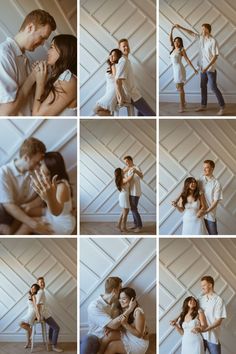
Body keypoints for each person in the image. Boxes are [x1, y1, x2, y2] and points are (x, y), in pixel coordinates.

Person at [0, 9, 56, 116]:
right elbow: (5, 112)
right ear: (30, 28)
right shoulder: (4, 55)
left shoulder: (23, 58)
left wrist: (40, 78)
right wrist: (32, 77)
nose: (43, 44)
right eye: (42, 37)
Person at [0, 137, 52, 235]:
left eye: (40, 163)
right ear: (26, 157)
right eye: (36, 162)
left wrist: (30, 205)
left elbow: (42, 196)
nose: (38, 166)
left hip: (26, 212)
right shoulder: (3, 173)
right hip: (4, 214)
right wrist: (33, 224)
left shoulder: (38, 171)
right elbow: (8, 205)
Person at [175, 23, 226, 116]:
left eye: (203, 29)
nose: (201, 30)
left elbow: (215, 56)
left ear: (207, 30)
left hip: (210, 69)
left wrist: (206, 67)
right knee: (203, 86)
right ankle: (203, 105)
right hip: (202, 68)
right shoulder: (201, 38)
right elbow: (191, 33)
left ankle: (222, 107)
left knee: (213, 87)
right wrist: (180, 27)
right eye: (201, 29)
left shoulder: (213, 41)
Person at [20, 152, 76, 235]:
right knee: (25, 211)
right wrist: (29, 205)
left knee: (26, 225)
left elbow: (56, 212)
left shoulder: (61, 186)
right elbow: (40, 199)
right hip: (50, 214)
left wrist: (47, 198)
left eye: (41, 163)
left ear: (51, 171)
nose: (39, 166)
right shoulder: (51, 181)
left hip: (62, 223)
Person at [170, 275, 227, 354]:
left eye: (204, 285)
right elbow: (187, 309)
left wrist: (204, 329)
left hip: (211, 337)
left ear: (210, 285)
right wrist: (176, 319)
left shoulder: (218, 301)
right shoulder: (200, 299)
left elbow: (218, 321)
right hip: (198, 336)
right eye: (201, 286)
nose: (202, 287)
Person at [80, 277, 136, 354]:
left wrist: (114, 328)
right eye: (120, 289)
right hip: (97, 338)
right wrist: (129, 310)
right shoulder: (95, 306)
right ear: (114, 291)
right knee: (87, 339)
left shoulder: (117, 303)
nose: (122, 292)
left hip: (113, 335)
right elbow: (113, 325)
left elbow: (118, 325)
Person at [31, 34, 77, 116]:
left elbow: (37, 116)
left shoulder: (68, 80)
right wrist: (38, 75)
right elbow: (39, 101)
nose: (48, 52)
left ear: (64, 51)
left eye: (51, 47)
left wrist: (40, 83)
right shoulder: (58, 77)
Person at [100, 287, 149, 354]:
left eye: (124, 299)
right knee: (109, 335)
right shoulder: (125, 309)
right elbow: (123, 327)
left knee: (112, 346)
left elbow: (139, 335)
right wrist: (113, 329)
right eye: (120, 298)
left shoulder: (138, 312)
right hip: (128, 335)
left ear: (132, 299)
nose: (121, 301)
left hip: (138, 342)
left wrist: (125, 324)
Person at [116, 39, 156, 116]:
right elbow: (118, 81)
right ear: (119, 49)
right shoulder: (123, 61)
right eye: (124, 46)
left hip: (134, 93)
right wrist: (120, 98)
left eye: (127, 46)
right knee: (151, 115)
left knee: (141, 114)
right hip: (132, 95)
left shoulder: (126, 60)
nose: (126, 48)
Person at [169, 25, 198, 113]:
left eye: (178, 41)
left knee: (180, 89)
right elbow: (170, 38)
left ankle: (182, 106)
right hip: (174, 70)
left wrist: (194, 69)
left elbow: (187, 59)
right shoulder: (173, 49)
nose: (176, 42)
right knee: (179, 88)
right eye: (175, 41)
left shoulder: (181, 50)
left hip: (179, 70)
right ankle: (184, 103)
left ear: (180, 43)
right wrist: (172, 29)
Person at [36, 277, 63, 353]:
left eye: (43, 282)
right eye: (40, 282)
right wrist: (39, 316)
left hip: (46, 313)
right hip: (44, 314)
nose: (42, 283)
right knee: (57, 328)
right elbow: (37, 304)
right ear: (37, 284)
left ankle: (51, 341)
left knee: (52, 327)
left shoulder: (41, 291)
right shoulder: (40, 292)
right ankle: (54, 346)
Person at [95, 49, 123, 116]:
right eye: (111, 55)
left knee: (96, 109)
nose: (111, 56)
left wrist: (120, 97)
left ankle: (111, 118)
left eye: (114, 56)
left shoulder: (114, 66)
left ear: (118, 57)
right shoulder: (111, 66)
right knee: (100, 110)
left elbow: (117, 82)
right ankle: (111, 118)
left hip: (113, 91)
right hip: (109, 91)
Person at [198, 160, 223, 235]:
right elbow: (187, 189)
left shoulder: (217, 183)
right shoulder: (200, 179)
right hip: (198, 212)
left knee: (213, 235)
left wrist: (206, 212)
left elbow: (216, 201)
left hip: (209, 214)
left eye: (207, 167)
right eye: (203, 167)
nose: (204, 169)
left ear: (212, 168)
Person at [124, 156, 143, 233]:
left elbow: (142, 176)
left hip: (135, 192)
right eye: (125, 162)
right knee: (133, 209)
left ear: (131, 160)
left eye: (128, 161)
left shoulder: (136, 167)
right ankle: (135, 224)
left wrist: (136, 171)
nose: (127, 163)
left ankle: (139, 226)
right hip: (129, 192)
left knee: (134, 209)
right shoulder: (127, 169)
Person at [19, 283, 41, 348]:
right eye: (32, 287)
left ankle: (32, 332)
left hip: (32, 312)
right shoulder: (30, 295)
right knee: (27, 328)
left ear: (36, 290)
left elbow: (36, 306)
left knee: (20, 323)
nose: (32, 289)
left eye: (34, 288)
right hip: (29, 312)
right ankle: (28, 343)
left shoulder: (34, 296)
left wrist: (38, 315)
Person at [114, 167, 134, 232]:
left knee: (123, 212)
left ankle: (118, 224)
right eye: (122, 171)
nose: (124, 171)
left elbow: (124, 171)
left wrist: (128, 168)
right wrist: (133, 171)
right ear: (120, 173)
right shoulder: (122, 180)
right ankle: (123, 227)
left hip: (124, 195)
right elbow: (130, 178)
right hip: (124, 196)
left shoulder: (120, 178)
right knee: (126, 212)